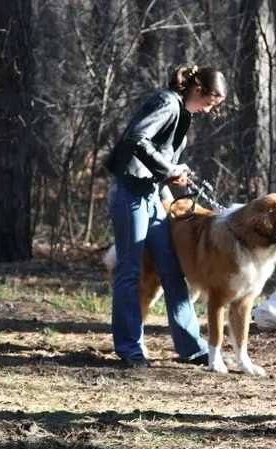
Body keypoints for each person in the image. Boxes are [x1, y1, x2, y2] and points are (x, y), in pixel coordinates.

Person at [104, 65, 227, 368]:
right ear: (197, 90)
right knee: (130, 270)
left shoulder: (181, 111)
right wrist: (169, 170)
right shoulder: (166, 102)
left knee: (172, 270)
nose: (209, 111)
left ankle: (191, 347)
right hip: (130, 193)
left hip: (152, 194)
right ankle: (130, 349)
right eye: (209, 103)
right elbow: (136, 139)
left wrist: (172, 177)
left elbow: (159, 152)